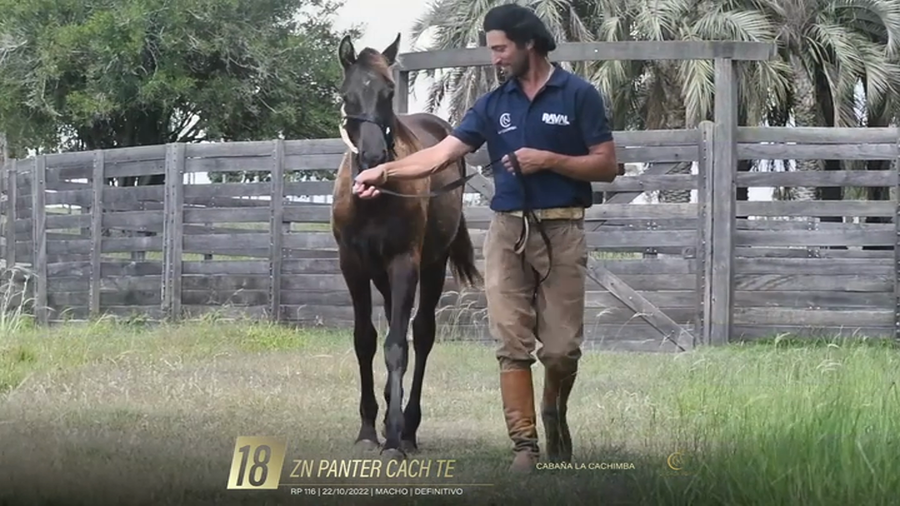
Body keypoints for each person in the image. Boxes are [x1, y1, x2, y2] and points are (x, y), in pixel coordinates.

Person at [352, 4, 618, 473]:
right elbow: (439, 155)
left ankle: (554, 413)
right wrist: (383, 170)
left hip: (562, 229)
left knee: (560, 350)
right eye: (491, 49)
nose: (494, 58)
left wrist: (549, 160)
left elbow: (606, 165)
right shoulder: (493, 105)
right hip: (507, 232)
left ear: (527, 44)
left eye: (500, 48)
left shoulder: (579, 95)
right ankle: (525, 447)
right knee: (511, 344)